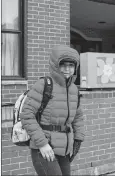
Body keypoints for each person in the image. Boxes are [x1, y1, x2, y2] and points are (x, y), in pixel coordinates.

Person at [20, 45, 85, 176]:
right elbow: (27, 115)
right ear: (56, 65)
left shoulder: (74, 89)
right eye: (63, 64)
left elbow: (77, 117)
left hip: (64, 149)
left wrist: (78, 140)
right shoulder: (44, 85)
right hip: (44, 147)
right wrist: (43, 144)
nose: (67, 69)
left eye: (71, 65)